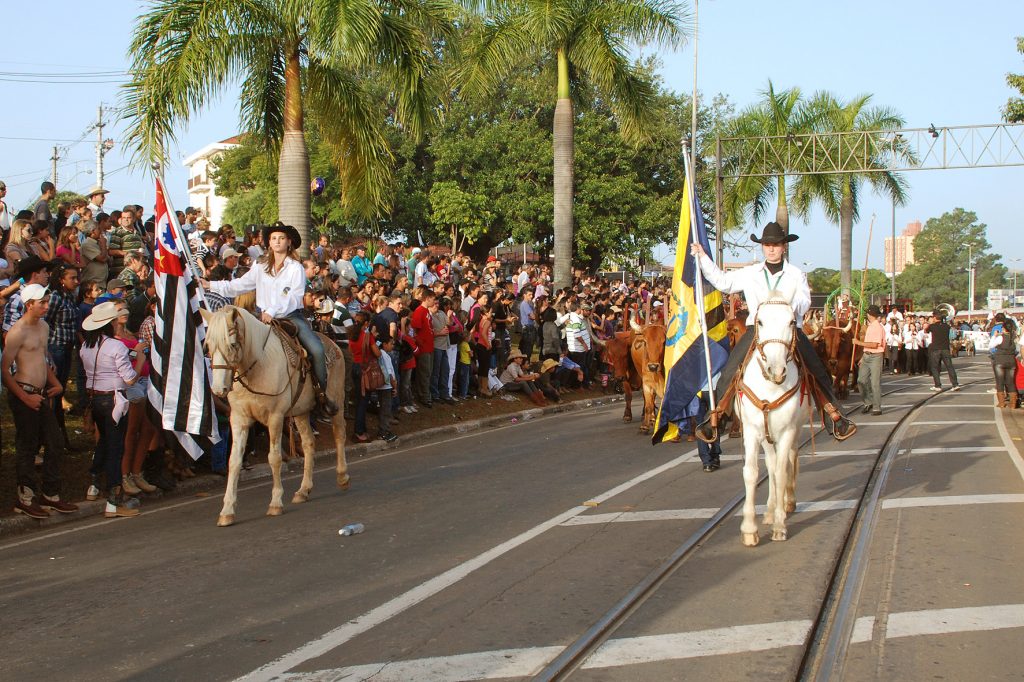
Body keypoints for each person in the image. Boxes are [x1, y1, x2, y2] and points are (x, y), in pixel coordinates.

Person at [690, 222, 856, 441]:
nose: (771, 249)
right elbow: (724, 282)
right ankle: (717, 417)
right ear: (763, 247)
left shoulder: (796, 274)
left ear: (783, 247)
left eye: (776, 245)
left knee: (817, 369)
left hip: (789, 329)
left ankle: (835, 416)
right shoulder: (751, 273)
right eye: (767, 245)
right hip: (757, 330)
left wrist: (787, 306)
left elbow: (805, 300)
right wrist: (702, 257)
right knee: (731, 367)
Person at [201, 223, 339, 416]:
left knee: (316, 349)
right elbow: (240, 285)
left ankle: (321, 394)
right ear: (268, 242)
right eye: (273, 238)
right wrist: (211, 285)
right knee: (237, 345)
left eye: (281, 238)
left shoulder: (295, 268)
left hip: (290, 316)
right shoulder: (260, 266)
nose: (277, 241)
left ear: (289, 242)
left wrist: (273, 310)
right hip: (263, 318)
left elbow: (293, 296)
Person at [1, 284, 79, 518]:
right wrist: (24, 396)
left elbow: (41, 359)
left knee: (55, 442)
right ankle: (25, 497)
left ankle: (50, 494)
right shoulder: (17, 331)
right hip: (24, 392)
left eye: (46, 302)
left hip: (40, 392)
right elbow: (5, 371)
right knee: (27, 446)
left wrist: (55, 383)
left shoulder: (43, 327)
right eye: (41, 303)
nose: (46, 306)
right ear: (29, 305)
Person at [80, 301, 151, 517]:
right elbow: (130, 379)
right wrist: (140, 358)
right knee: (115, 447)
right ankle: (113, 500)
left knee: (104, 443)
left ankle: (94, 484)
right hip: (113, 401)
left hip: (96, 399)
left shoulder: (86, 346)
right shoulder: (116, 346)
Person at [853, 305, 885, 415]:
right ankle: (867, 402)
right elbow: (868, 345)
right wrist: (862, 357)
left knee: (875, 382)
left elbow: (874, 345)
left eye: (867, 313)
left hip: (876, 356)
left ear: (870, 315)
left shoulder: (877, 327)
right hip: (866, 355)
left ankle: (877, 407)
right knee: (860, 380)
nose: (866, 314)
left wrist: (858, 343)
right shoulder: (870, 326)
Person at [925, 308, 960, 392]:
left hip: (935, 349)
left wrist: (930, 323)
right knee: (949, 367)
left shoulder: (932, 326)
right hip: (945, 349)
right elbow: (948, 325)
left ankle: (938, 385)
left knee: (935, 367)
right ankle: (955, 384)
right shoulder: (946, 326)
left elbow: (926, 331)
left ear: (934, 318)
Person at [991, 317, 1018, 408]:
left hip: (1000, 361)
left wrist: (994, 335)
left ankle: (1002, 403)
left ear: (1004, 328)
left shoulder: (1000, 337)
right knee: (1010, 382)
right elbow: (1017, 350)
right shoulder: (1015, 337)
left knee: (1000, 382)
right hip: (1011, 361)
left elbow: (991, 345)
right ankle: (1013, 403)